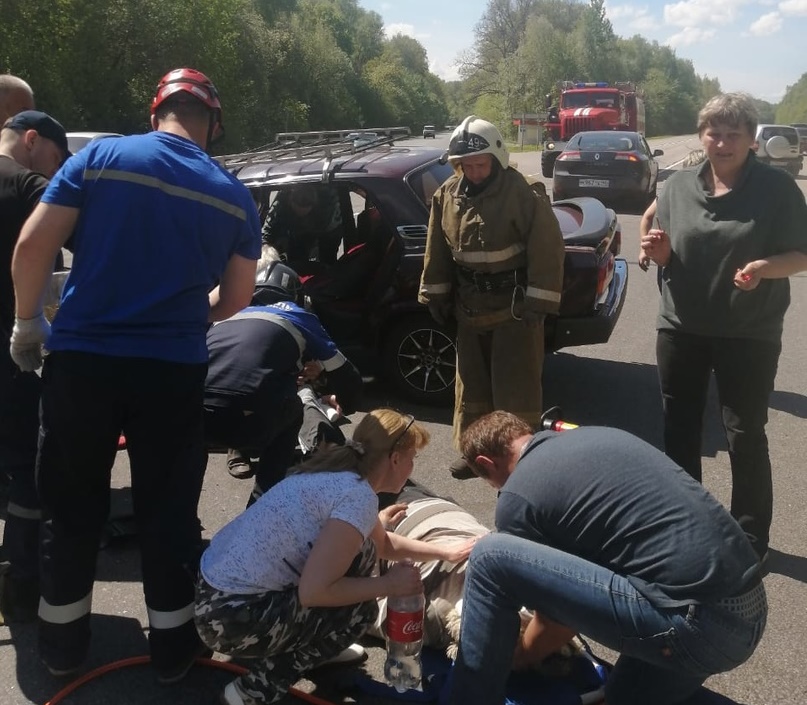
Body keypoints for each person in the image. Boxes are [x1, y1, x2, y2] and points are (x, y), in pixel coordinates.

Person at [9, 68, 261, 681]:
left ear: (156, 114)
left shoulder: (101, 158)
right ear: (214, 126)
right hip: (171, 373)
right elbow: (234, 302)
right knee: (168, 510)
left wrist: (25, 323)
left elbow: (33, 246)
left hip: (83, 366)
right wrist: (183, 319)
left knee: (71, 506)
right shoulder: (234, 195)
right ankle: (174, 653)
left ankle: (62, 649)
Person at [448, 410, 767, 705]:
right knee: (622, 696)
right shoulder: (599, 437)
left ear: (486, 464)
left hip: (695, 624)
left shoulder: (518, 497)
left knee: (490, 556)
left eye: (489, 482)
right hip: (747, 613)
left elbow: (557, 621)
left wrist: (522, 655)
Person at [194, 409, 475, 705]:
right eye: (412, 458)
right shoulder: (357, 499)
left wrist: (446, 551)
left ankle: (315, 643)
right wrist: (391, 585)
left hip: (213, 594)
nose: (412, 466)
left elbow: (383, 545)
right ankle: (250, 692)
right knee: (360, 611)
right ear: (395, 459)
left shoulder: (339, 474)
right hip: (231, 619)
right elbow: (314, 592)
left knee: (362, 554)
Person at [639, 92, 807, 560]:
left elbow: (802, 254)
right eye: (714, 132)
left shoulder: (776, 190)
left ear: (752, 140)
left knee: (744, 433)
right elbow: (668, 247)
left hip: (748, 332)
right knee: (680, 428)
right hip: (681, 325)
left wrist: (763, 268)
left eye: (734, 134)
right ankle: (685, 525)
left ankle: (750, 538)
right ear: (702, 136)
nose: (723, 141)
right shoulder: (678, 187)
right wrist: (658, 252)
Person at [417, 115, 565, 479]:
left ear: (497, 159)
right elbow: (435, 248)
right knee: (472, 390)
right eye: (466, 165)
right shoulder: (447, 195)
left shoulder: (523, 193)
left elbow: (547, 250)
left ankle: (522, 459)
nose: (474, 172)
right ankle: (474, 454)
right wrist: (435, 294)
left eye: (480, 164)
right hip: (469, 310)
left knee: (515, 389)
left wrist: (538, 303)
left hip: (514, 312)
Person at [204, 252, 363, 504]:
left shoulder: (227, 312)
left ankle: (181, 521)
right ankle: (263, 500)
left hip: (196, 414)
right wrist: (346, 400)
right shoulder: (298, 315)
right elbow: (347, 375)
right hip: (248, 420)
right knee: (294, 412)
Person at [0, 110, 69, 623]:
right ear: (30, 140)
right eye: (54, 158)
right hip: (11, 359)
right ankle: (22, 587)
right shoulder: (27, 186)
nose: (56, 170)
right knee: (25, 468)